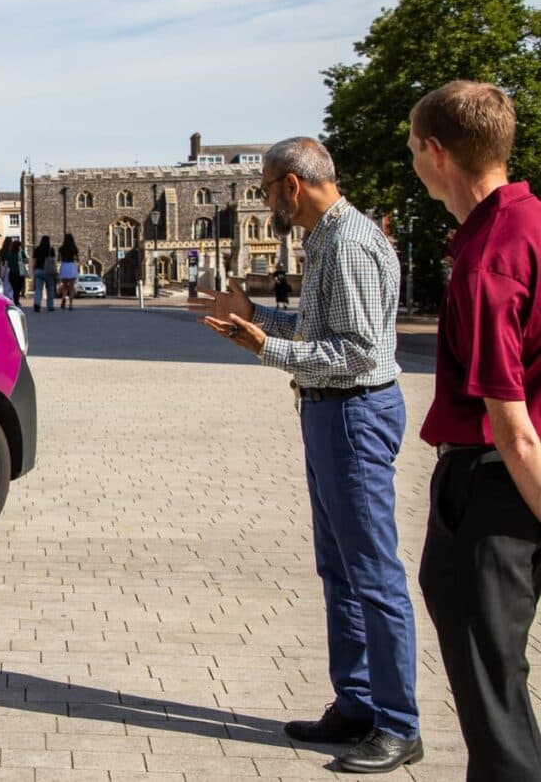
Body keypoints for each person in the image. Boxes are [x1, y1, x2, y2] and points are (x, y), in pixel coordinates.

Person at [189, 137, 421, 774]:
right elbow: (320, 329)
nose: (265, 201)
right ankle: (357, 703)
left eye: (265, 189)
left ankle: (399, 724)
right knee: (340, 569)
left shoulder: (349, 243)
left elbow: (358, 354)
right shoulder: (326, 238)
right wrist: (255, 314)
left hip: (353, 411)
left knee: (372, 573)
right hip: (329, 412)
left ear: (292, 185)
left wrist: (265, 346)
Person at [412, 81, 541, 781]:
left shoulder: (488, 259)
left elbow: (512, 426)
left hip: (496, 482)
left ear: (437, 154)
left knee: (491, 686)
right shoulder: (533, 224)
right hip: (510, 472)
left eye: (412, 147)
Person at [33, 235, 56, 313]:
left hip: (38, 270)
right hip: (48, 271)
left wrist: (33, 271)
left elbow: (34, 262)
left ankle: (37, 304)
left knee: (38, 289)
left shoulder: (37, 249)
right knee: (50, 289)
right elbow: (53, 262)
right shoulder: (51, 250)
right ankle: (50, 306)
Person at [57, 233, 79, 310]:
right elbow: (77, 259)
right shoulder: (74, 248)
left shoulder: (61, 248)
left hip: (64, 265)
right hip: (71, 266)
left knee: (65, 286)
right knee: (71, 287)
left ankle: (63, 298)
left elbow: (58, 259)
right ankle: (70, 304)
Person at [6, 240, 25, 307]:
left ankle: (15, 301)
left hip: (12, 273)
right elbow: (25, 261)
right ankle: (16, 302)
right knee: (18, 288)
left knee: (14, 288)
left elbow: (8, 265)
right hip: (20, 273)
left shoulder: (9, 254)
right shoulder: (21, 253)